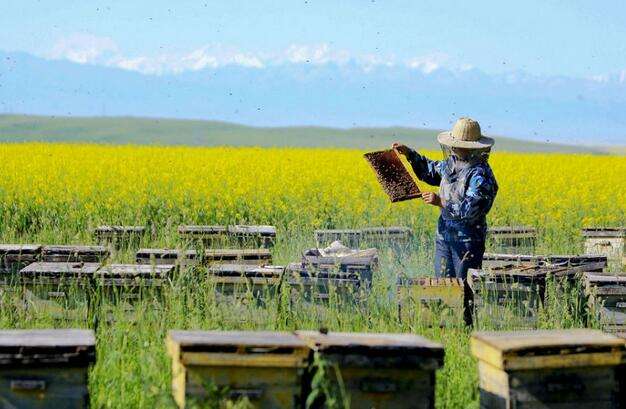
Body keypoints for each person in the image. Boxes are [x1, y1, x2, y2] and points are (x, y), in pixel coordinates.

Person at [393, 117, 498, 280]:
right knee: (443, 287)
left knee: (464, 288)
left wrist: (440, 201)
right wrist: (409, 154)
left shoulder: (480, 175)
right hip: (444, 237)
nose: (454, 148)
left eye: (458, 146)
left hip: (467, 241)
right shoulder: (452, 164)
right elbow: (429, 171)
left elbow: (471, 209)